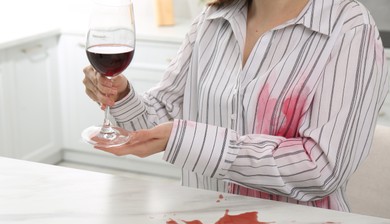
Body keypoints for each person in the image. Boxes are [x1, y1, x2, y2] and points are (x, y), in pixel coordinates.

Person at [83, 0, 389, 211]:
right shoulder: (211, 20)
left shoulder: (349, 27)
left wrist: (187, 139)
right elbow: (158, 118)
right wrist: (121, 95)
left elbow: (320, 168)